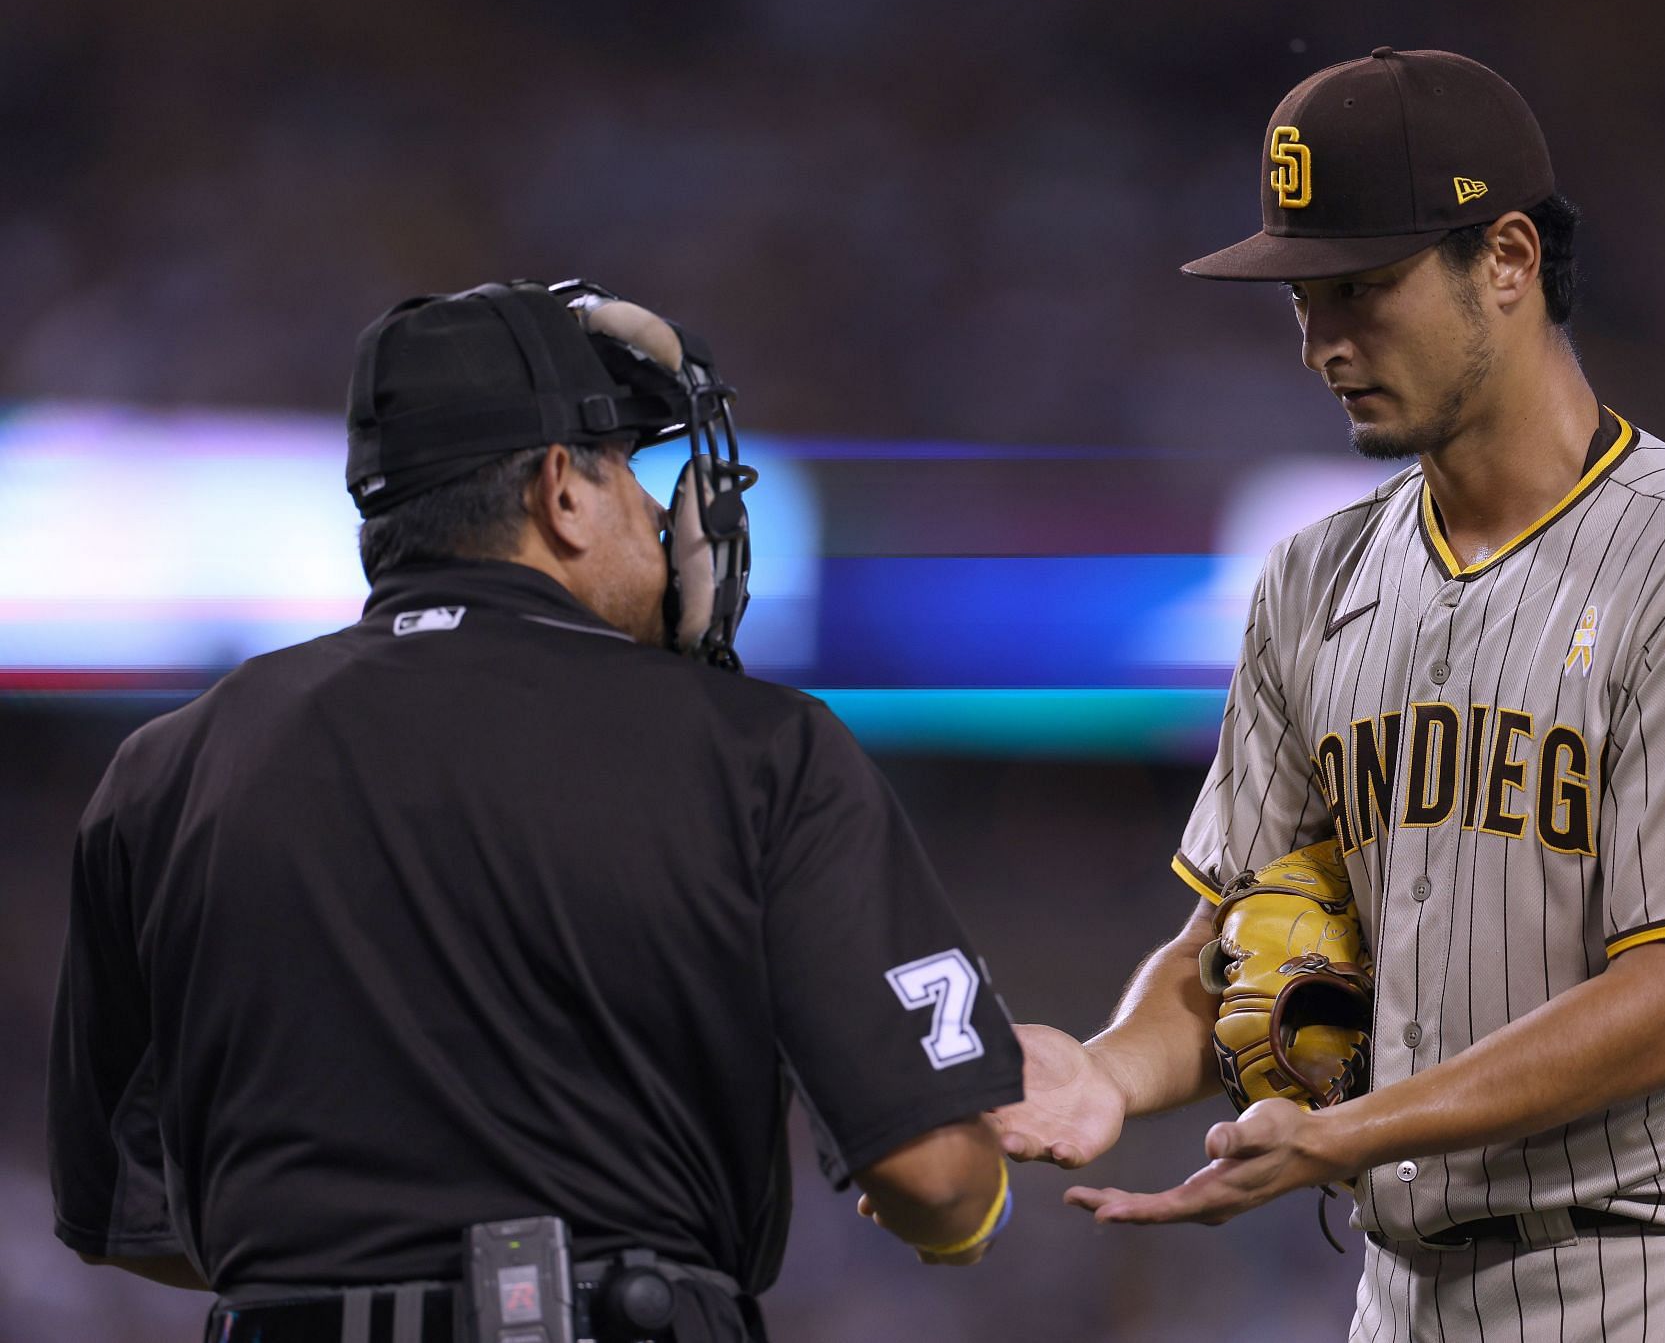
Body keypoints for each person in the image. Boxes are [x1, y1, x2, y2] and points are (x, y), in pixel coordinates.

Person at [990, 48, 1665, 1340]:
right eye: (1303, 296)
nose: (1322, 342)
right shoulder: (1314, 578)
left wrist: (1352, 1130)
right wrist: (1107, 1072)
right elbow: (1247, 932)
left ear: (1506, 259)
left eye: (1363, 289)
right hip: (1407, 1289)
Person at [47, 280, 1022, 1343]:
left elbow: (125, 1217)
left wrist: (345, 1271)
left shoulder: (166, 766)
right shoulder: (754, 744)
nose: (660, 513)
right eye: (633, 473)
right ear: (560, 486)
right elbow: (933, 1177)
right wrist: (971, 1183)